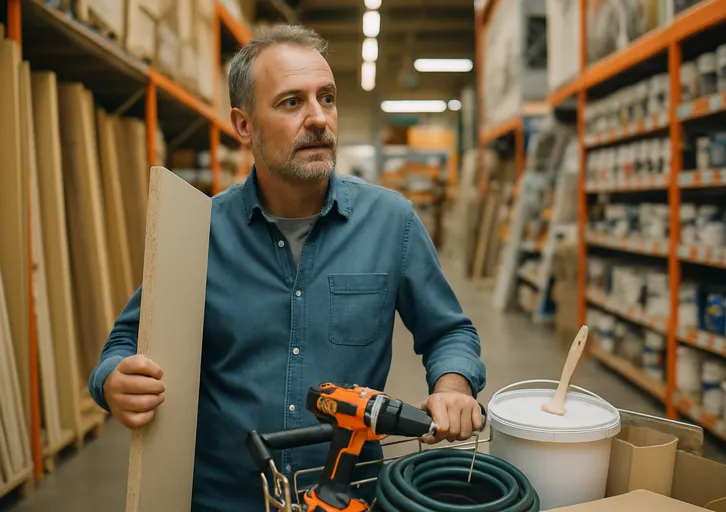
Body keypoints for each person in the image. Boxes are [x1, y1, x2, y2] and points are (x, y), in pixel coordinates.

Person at [88, 24, 486, 511]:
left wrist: (452, 386)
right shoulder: (198, 230)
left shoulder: (392, 222)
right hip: (226, 499)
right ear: (243, 126)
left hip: (349, 497)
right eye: (292, 102)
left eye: (327, 98)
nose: (318, 118)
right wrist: (114, 380)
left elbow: (449, 332)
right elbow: (126, 342)